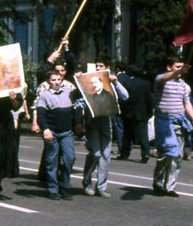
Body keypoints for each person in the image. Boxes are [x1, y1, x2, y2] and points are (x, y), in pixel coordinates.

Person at [78, 59, 128, 198]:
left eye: (101, 66)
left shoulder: (110, 85)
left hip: (106, 122)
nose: (98, 68)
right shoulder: (88, 86)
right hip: (92, 123)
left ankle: (101, 187)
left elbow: (125, 96)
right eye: (97, 66)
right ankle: (87, 181)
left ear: (107, 68)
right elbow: (79, 102)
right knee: (95, 153)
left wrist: (115, 82)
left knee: (106, 156)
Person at [152, 56, 193, 198]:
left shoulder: (183, 85)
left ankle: (170, 186)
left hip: (179, 122)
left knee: (177, 156)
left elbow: (186, 103)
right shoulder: (161, 80)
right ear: (169, 67)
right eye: (177, 67)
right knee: (166, 154)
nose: (180, 70)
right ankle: (158, 184)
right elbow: (167, 77)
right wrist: (177, 72)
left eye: (181, 67)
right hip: (164, 122)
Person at [36, 70, 77, 200]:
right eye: (53, 80)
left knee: (69, 158)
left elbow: (83, 93)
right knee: (51, 161)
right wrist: (45, 129)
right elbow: (41, 115)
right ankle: (52, 189)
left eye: (58, 80)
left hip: (66, 132)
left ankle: (64, 187)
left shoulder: (68, 92)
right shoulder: (44, 96)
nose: (56, 82)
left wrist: (79, 78)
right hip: (52, 133)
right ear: (49, 81)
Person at [116, 63, 153, 162]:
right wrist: (149, 112)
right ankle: (145, 154)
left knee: (127, 135)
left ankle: (124, 153)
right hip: (142, 113)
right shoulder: (146, 84)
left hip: (128, 113)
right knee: (143, 134)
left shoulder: (127, 83)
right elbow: (149, 99)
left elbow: (123, 98)